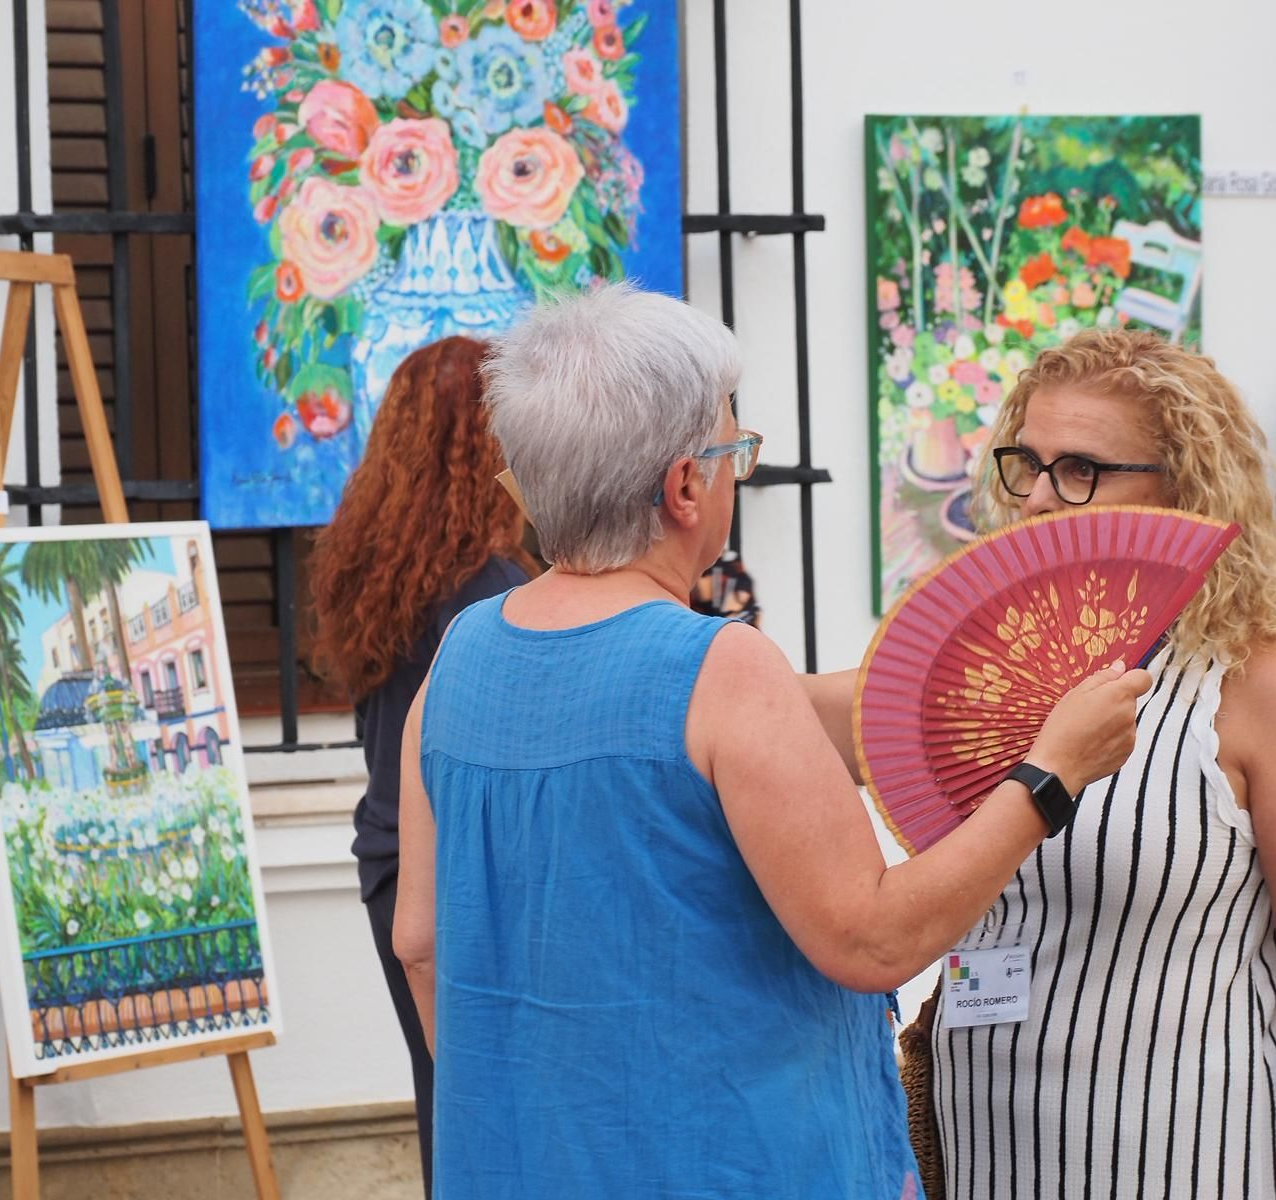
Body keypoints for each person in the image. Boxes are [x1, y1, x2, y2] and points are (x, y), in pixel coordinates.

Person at [391, 284, 1152, 1199]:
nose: (735, 474)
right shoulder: (720, 667)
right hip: (736, 1163)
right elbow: (870, 941)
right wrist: (1050, 776)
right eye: (733, 451)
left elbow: (421, 943)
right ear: (683, 486)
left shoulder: (461, 655)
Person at [930, 328, 1276, 1200]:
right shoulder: (982, 674)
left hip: (1194, 1160)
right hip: (991, 1158)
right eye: (1027, 463)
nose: (1040, 500)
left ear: (1183, 493)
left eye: (1081, 469)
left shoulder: (1252, 687)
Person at [311, 335, 537, 1199]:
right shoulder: (491, 591)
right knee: (493, 1109)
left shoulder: (371, 561)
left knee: (447, 1099)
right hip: (460, 873)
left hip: (389, 858)